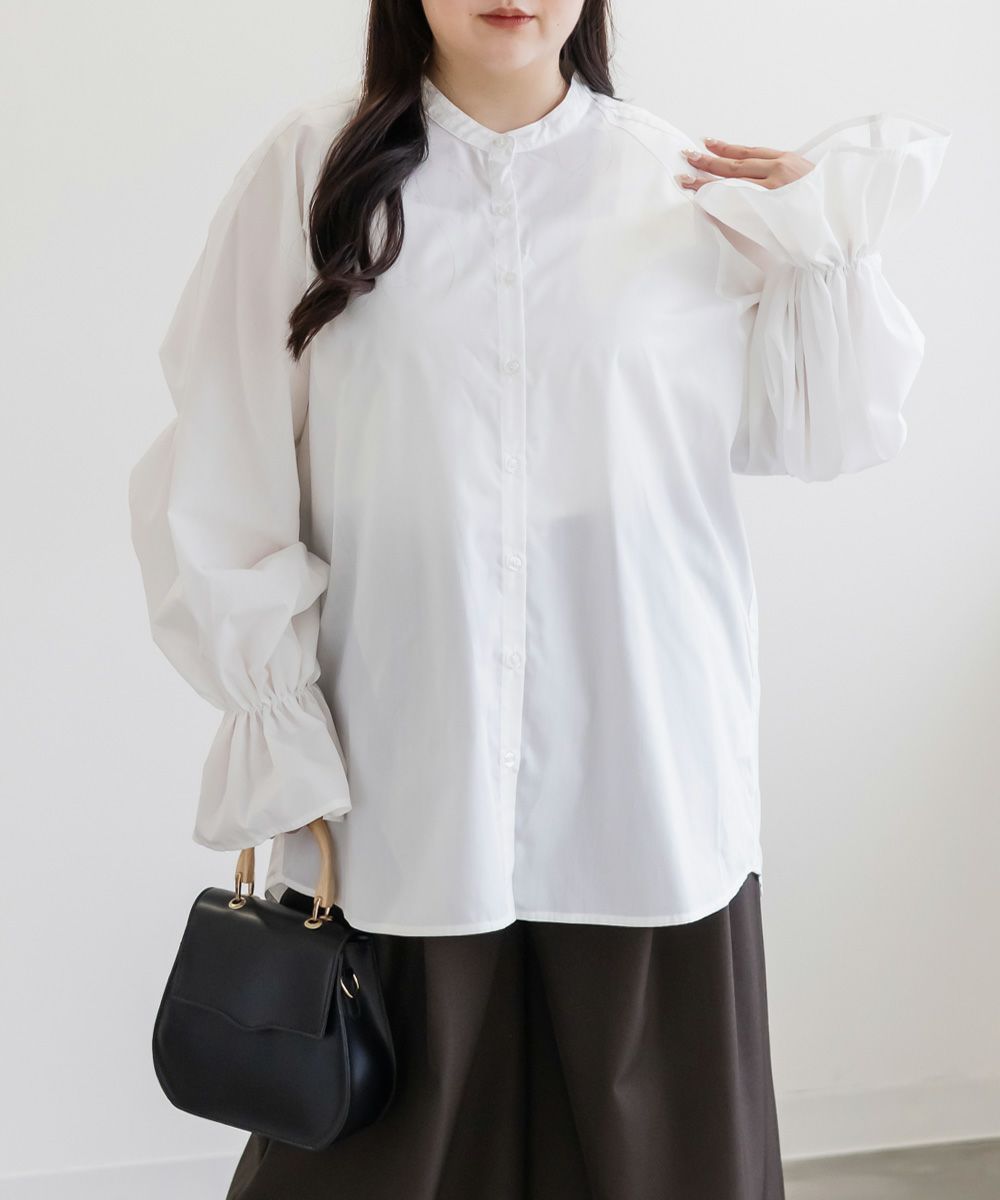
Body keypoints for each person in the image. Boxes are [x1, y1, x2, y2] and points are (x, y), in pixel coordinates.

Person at [127, 2, 950, 1197]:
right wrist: (281, 722)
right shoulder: (313, 172)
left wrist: (818, 242)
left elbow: (827, 432)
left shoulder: (680, 185)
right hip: (403, 773)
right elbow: (222, 464)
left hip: (642, 773)